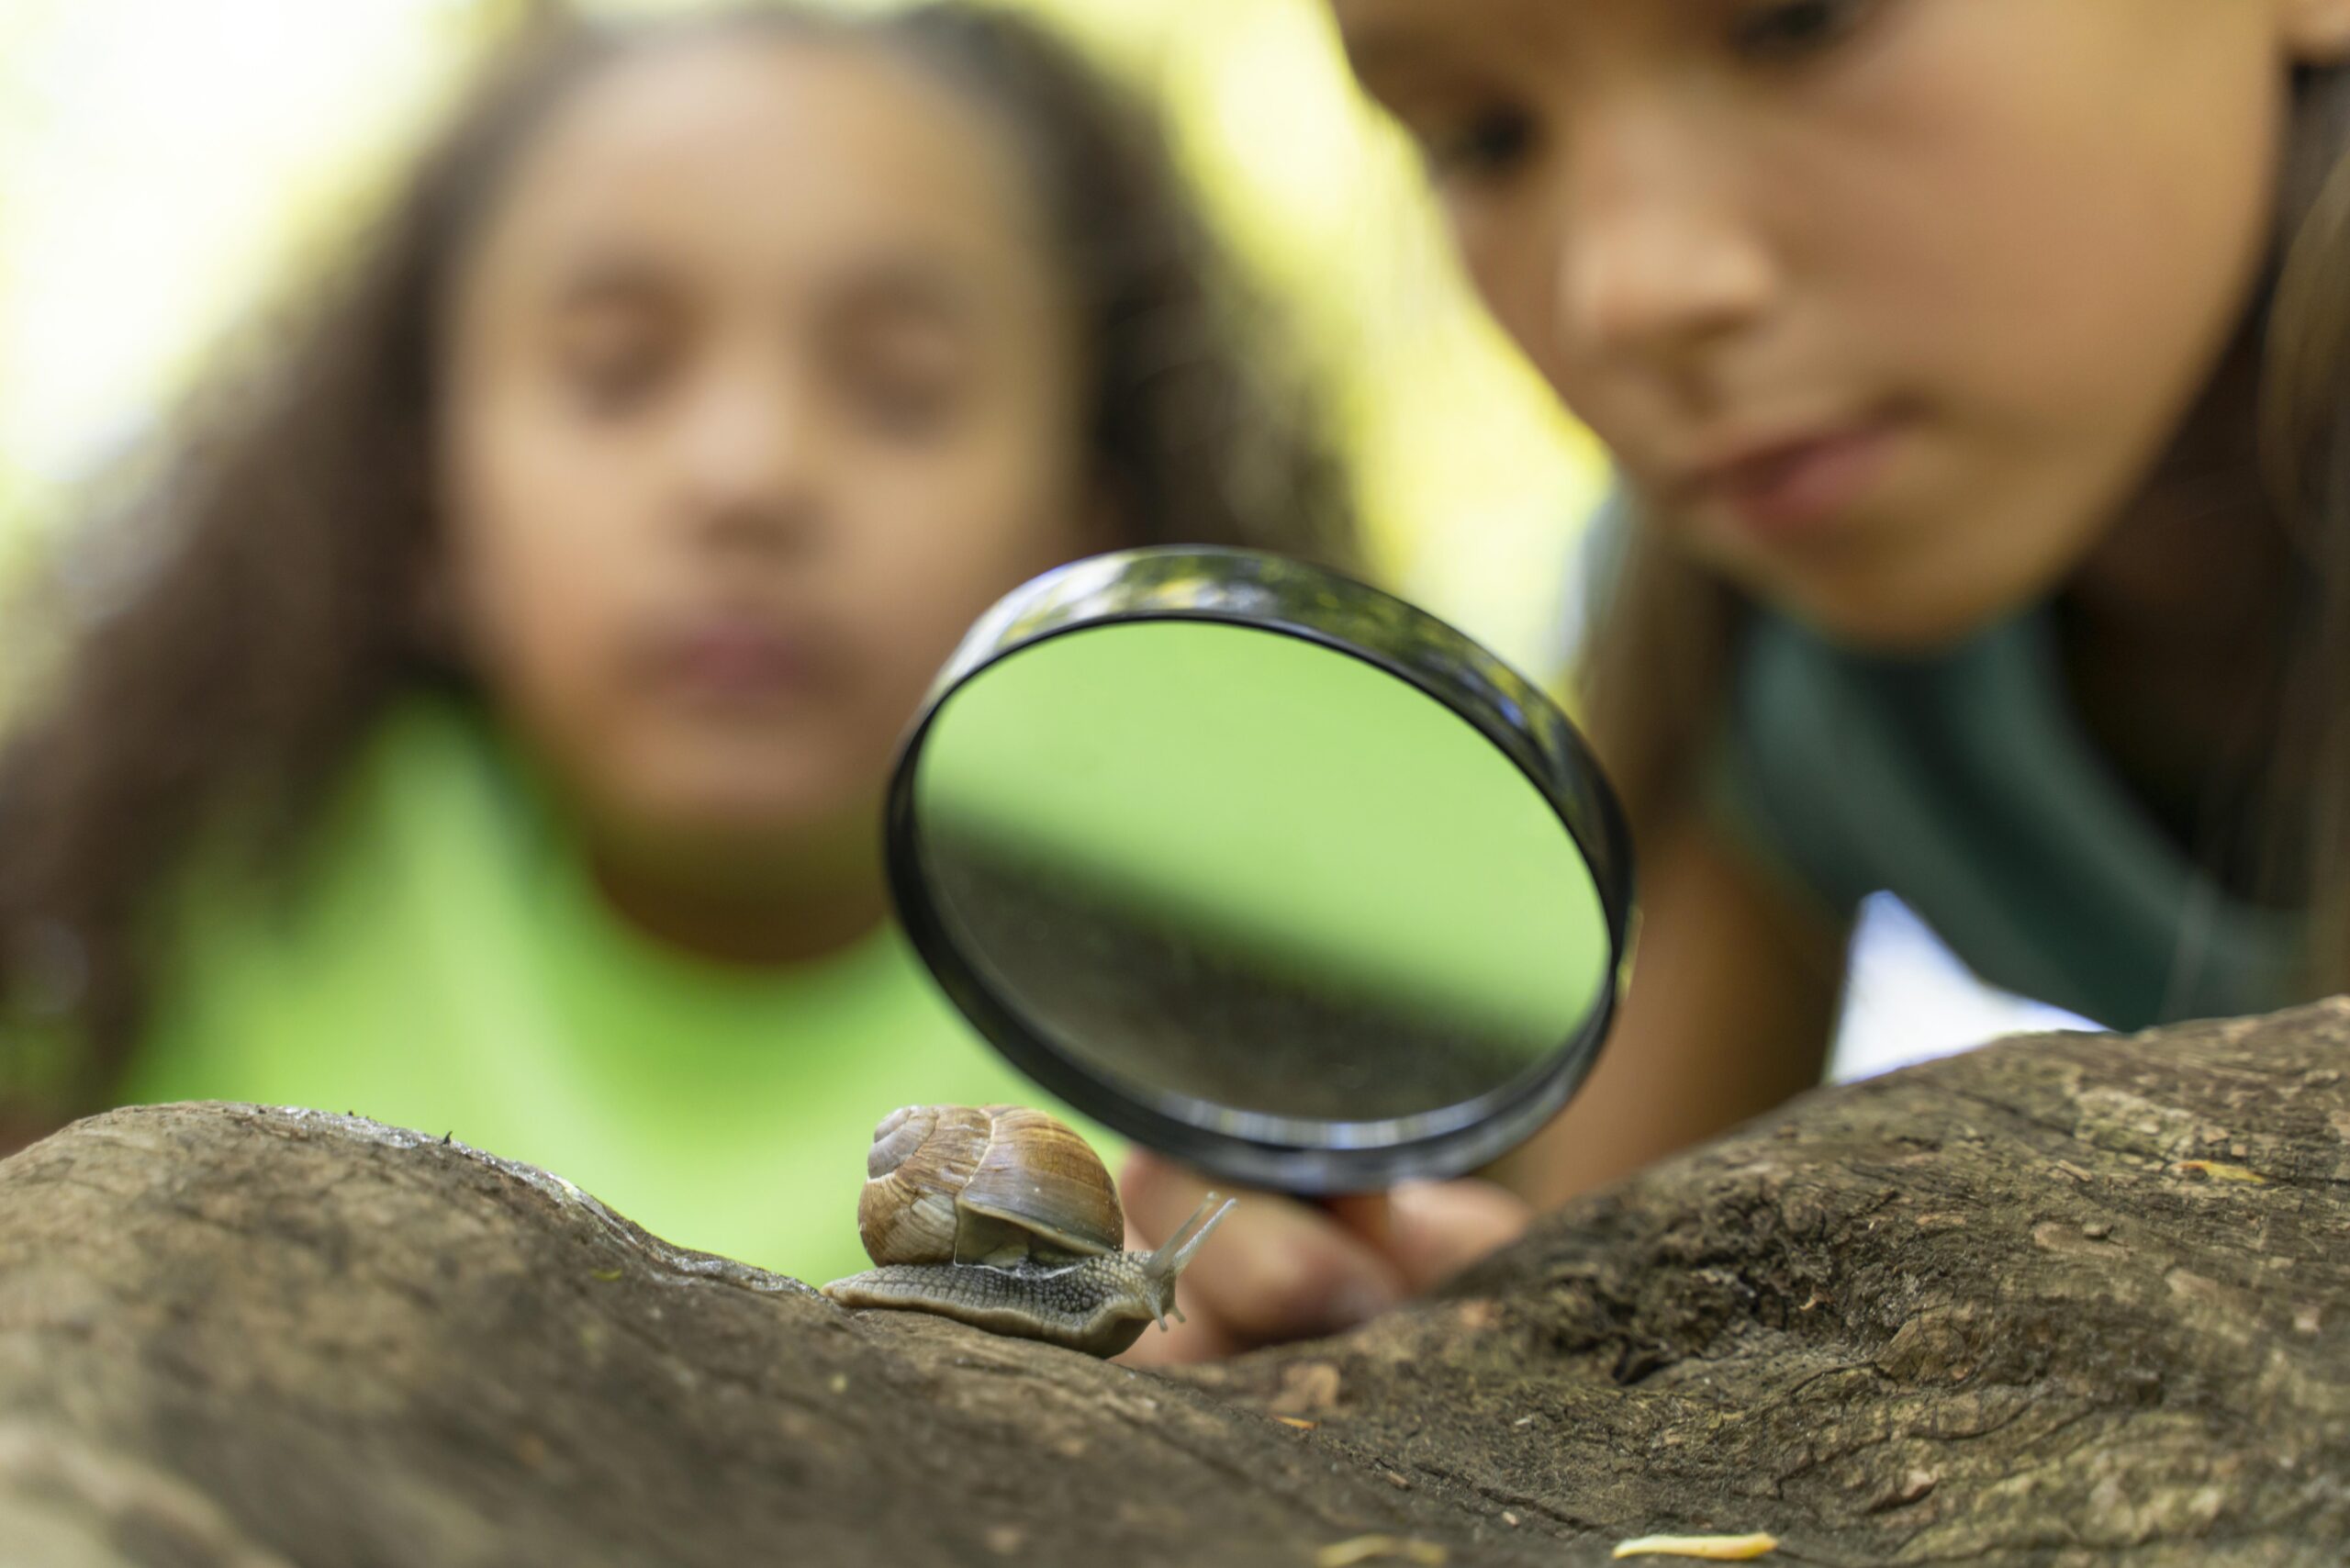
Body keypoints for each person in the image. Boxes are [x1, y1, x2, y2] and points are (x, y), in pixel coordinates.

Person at [0, 3, 1356, 1289]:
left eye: (900, 390)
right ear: (422, 512)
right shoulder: (180, 890)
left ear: (1083, 523)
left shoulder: (1230, 1019)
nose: (748, 473)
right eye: (616, 369)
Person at [1120, 0, 2350, 1360]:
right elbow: (1610, 1252)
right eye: (1487, 137)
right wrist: (1402, 1317)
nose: (1628, 290)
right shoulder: (1759, 636)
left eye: (1797, 25)